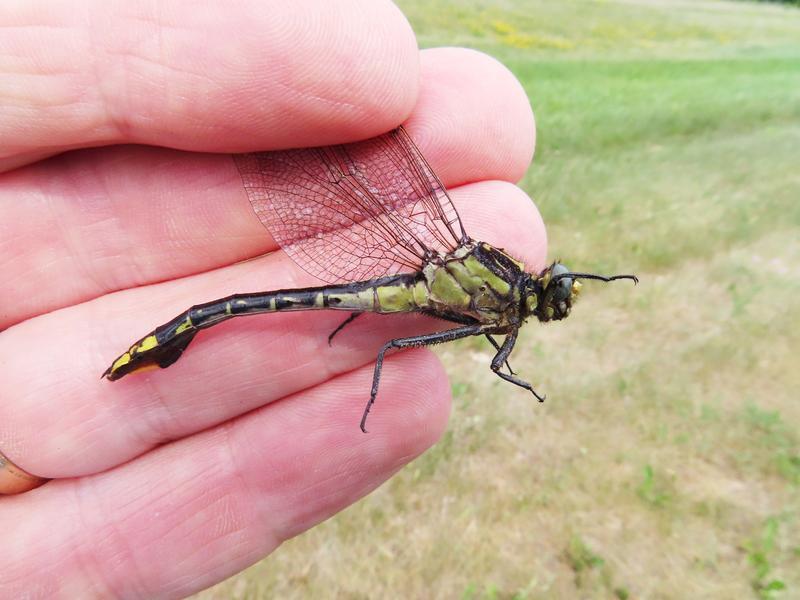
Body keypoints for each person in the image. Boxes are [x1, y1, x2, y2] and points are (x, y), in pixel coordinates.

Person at [0, 1, 542, 594]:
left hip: (402, 285)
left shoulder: (499, 298)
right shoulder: (496, 292)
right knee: (227, 308)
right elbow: (478, 345)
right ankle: (185, 330)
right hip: (398, 282)